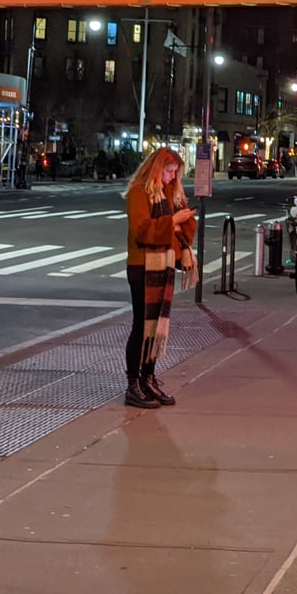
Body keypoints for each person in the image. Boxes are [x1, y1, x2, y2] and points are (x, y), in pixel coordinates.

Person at [123, 148, 197, 409]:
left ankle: (148, 378)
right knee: (142, 325)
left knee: (156, 326)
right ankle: (133, 383)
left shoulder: (169, 191)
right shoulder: (139, 191)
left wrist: (179, 222)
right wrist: (172, 222)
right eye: (168, 171)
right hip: (143, 264)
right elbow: (141, 230)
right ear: (156, 169)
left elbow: (186, 226)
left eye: (175, 172)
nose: (172, 177)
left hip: (163, 264)